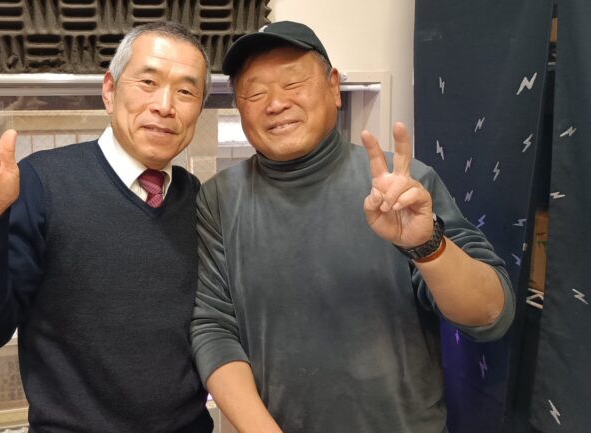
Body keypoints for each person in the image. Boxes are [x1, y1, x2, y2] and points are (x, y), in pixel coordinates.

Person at [190, 21, 515, 433]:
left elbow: (490, 316)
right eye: (255, 93)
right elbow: (213, 327)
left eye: (293, 83)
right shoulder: (219, 199)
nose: (276, 103)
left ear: (333, 87)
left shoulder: (403, 187)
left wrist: (427, 245)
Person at [0, 21, 213, 433]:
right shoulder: (40, 184)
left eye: (186, 92)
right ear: (110, 90)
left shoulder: (198, 199)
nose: (164, 105)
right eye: (147, 82)